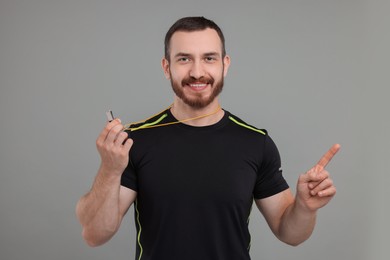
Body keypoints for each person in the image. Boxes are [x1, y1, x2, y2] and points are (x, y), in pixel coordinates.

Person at [76, 16, 340, 260]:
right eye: (184, 59)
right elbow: (95, 234)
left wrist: (305, 207)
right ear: (166, 67)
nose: (197, 72)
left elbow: (289, 233)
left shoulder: (256, 143)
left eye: (209, 58)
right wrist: (110, 170)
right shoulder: (135, 141)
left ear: (225, 65)